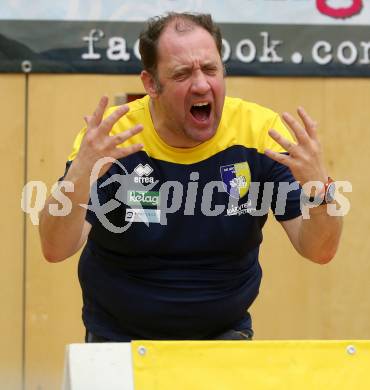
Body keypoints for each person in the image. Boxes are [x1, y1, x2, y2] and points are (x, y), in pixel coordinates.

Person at [39, 13, 342, 342]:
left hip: (224, 335)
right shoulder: (112, 139)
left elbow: (319, 250)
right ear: (151, 84)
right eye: (182, 73)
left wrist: (319, 188)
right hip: (118, 337)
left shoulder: (260, 133)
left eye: (211, 69)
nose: (201, 84)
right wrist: (81, 173)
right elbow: (55, 247)